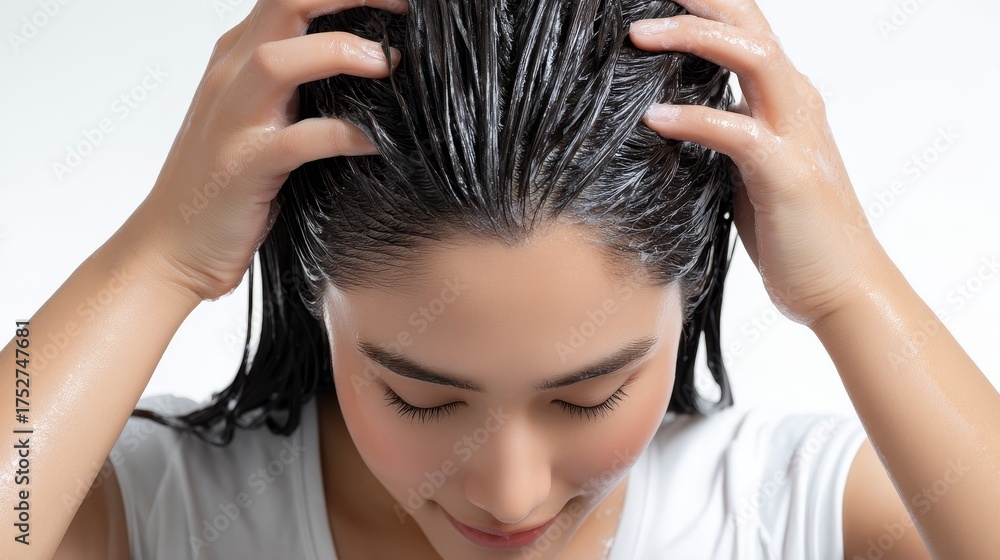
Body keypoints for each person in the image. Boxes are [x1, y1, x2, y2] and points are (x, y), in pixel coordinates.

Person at [1, 0, 997, 559]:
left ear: (691, 284)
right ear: (312, 287)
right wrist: (158, 259)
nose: (508, 489)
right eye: (419, 394)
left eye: (587, 393)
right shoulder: (157, 514)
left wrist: (851, 285)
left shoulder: (789, 515)